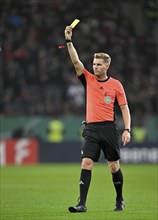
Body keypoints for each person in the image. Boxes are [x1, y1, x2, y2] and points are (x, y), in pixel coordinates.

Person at [64, 25, 131, 213]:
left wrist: (127, 129)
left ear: (107, 65)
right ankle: (82, 204)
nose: (95, 67)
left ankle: (119, 199)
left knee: (113, 166)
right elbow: (76, 61)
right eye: (94, 64)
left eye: (99, 64)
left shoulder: (116, 85)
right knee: (86, 162)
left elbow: (124, 108)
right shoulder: (88, 79)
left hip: (109, 129)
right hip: (92, 129)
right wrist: (69, 41)